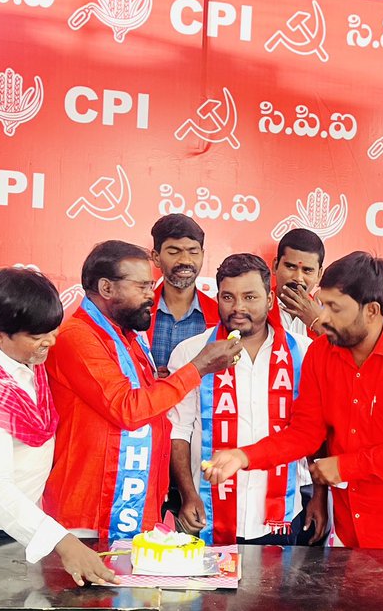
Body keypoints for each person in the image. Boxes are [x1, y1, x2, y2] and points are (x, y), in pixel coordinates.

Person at [204, 252, 383, 549]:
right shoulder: (320, 353)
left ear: (372, 311)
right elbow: (305, 433)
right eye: (323, 304)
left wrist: (347, 467)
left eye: (335, 308)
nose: (322, 318)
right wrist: (243, 457)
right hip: (344, 522)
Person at [41, 240, 240, 541]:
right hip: (89, 517)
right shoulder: (77, 337)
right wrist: (198, 367)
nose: (151, 295)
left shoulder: (128, 338)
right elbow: (129, 409)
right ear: (106, 288)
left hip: (132, 507)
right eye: (143, 286)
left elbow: (152, 408)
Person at [0, 267, 116, 587]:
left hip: (23, 511)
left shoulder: (3, 340)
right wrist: (64, 542)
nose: (52, 341)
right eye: (37, 336)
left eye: (53, 330)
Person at [168, 254, 324, 545]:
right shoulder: (191, 352)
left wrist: (319, 495)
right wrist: (188, 495)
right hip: (207, 511)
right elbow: (179, 431)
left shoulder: (303, 352)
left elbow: (312, 431)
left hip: (284, 512)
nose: (238, 307)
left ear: (269, 300)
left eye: (250, 297)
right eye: (228, 297)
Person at [148, 214, 219, 377]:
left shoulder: (219, 316)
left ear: (202, 255)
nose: (185, 260)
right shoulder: (136, 312)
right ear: (156, 257)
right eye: (174, 252)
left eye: (193, 252)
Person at [269, 228, 326, 339]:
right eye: (290, 267)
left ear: (319, 274)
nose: (298, 278)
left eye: (307, 270)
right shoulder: (258, 310)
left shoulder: (330, 318)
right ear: (275, 266)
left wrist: (318, 323)